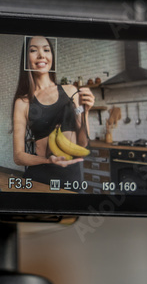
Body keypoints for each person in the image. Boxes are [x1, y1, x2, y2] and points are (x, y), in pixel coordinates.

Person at [11, 35, 95, 191]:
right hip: (39, 177)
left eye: (46, 50)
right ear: (26, 59)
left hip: (72, 177)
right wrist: (48, 161)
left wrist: (85, 112)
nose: (41, 55)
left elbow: (83, 144)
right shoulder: (23, 102)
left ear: (51, 56)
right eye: (33, 50)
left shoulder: (71, 91)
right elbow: (18, 156)